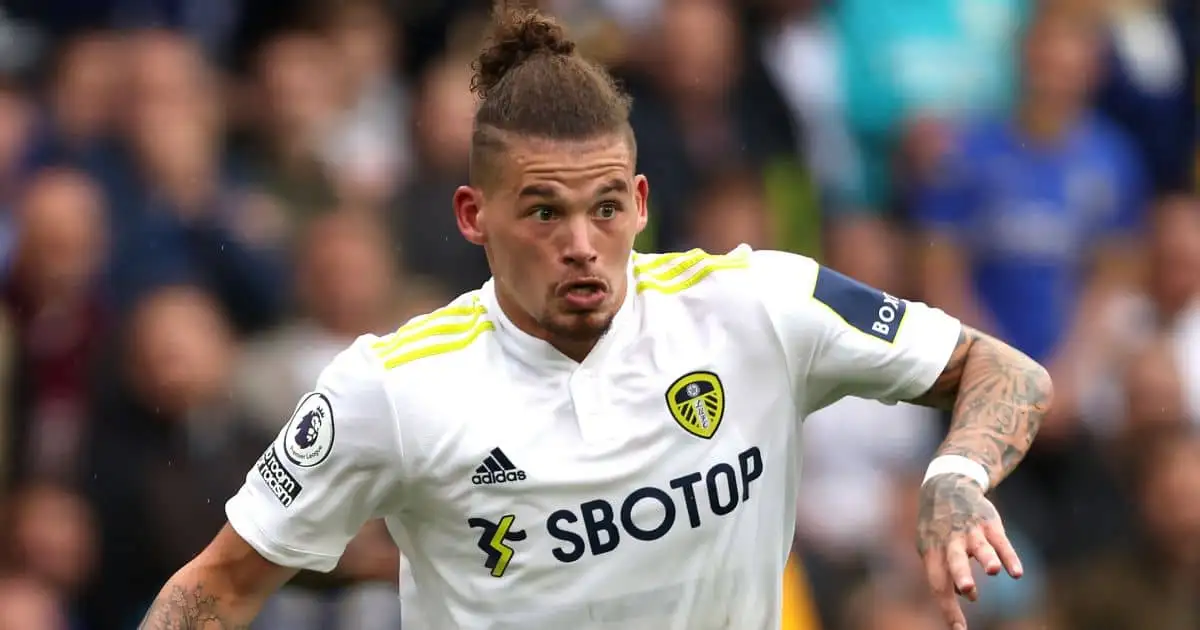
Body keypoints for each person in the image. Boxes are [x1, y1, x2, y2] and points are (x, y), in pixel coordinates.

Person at [138, 7, 1052, 630]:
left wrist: (958, 473)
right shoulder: (392, 386)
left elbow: (1003, 368)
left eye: (607, 207)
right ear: (472, 216)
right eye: (543, 212)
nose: (582, 242)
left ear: (643, 200)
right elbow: (217, 584)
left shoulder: (755, 305)